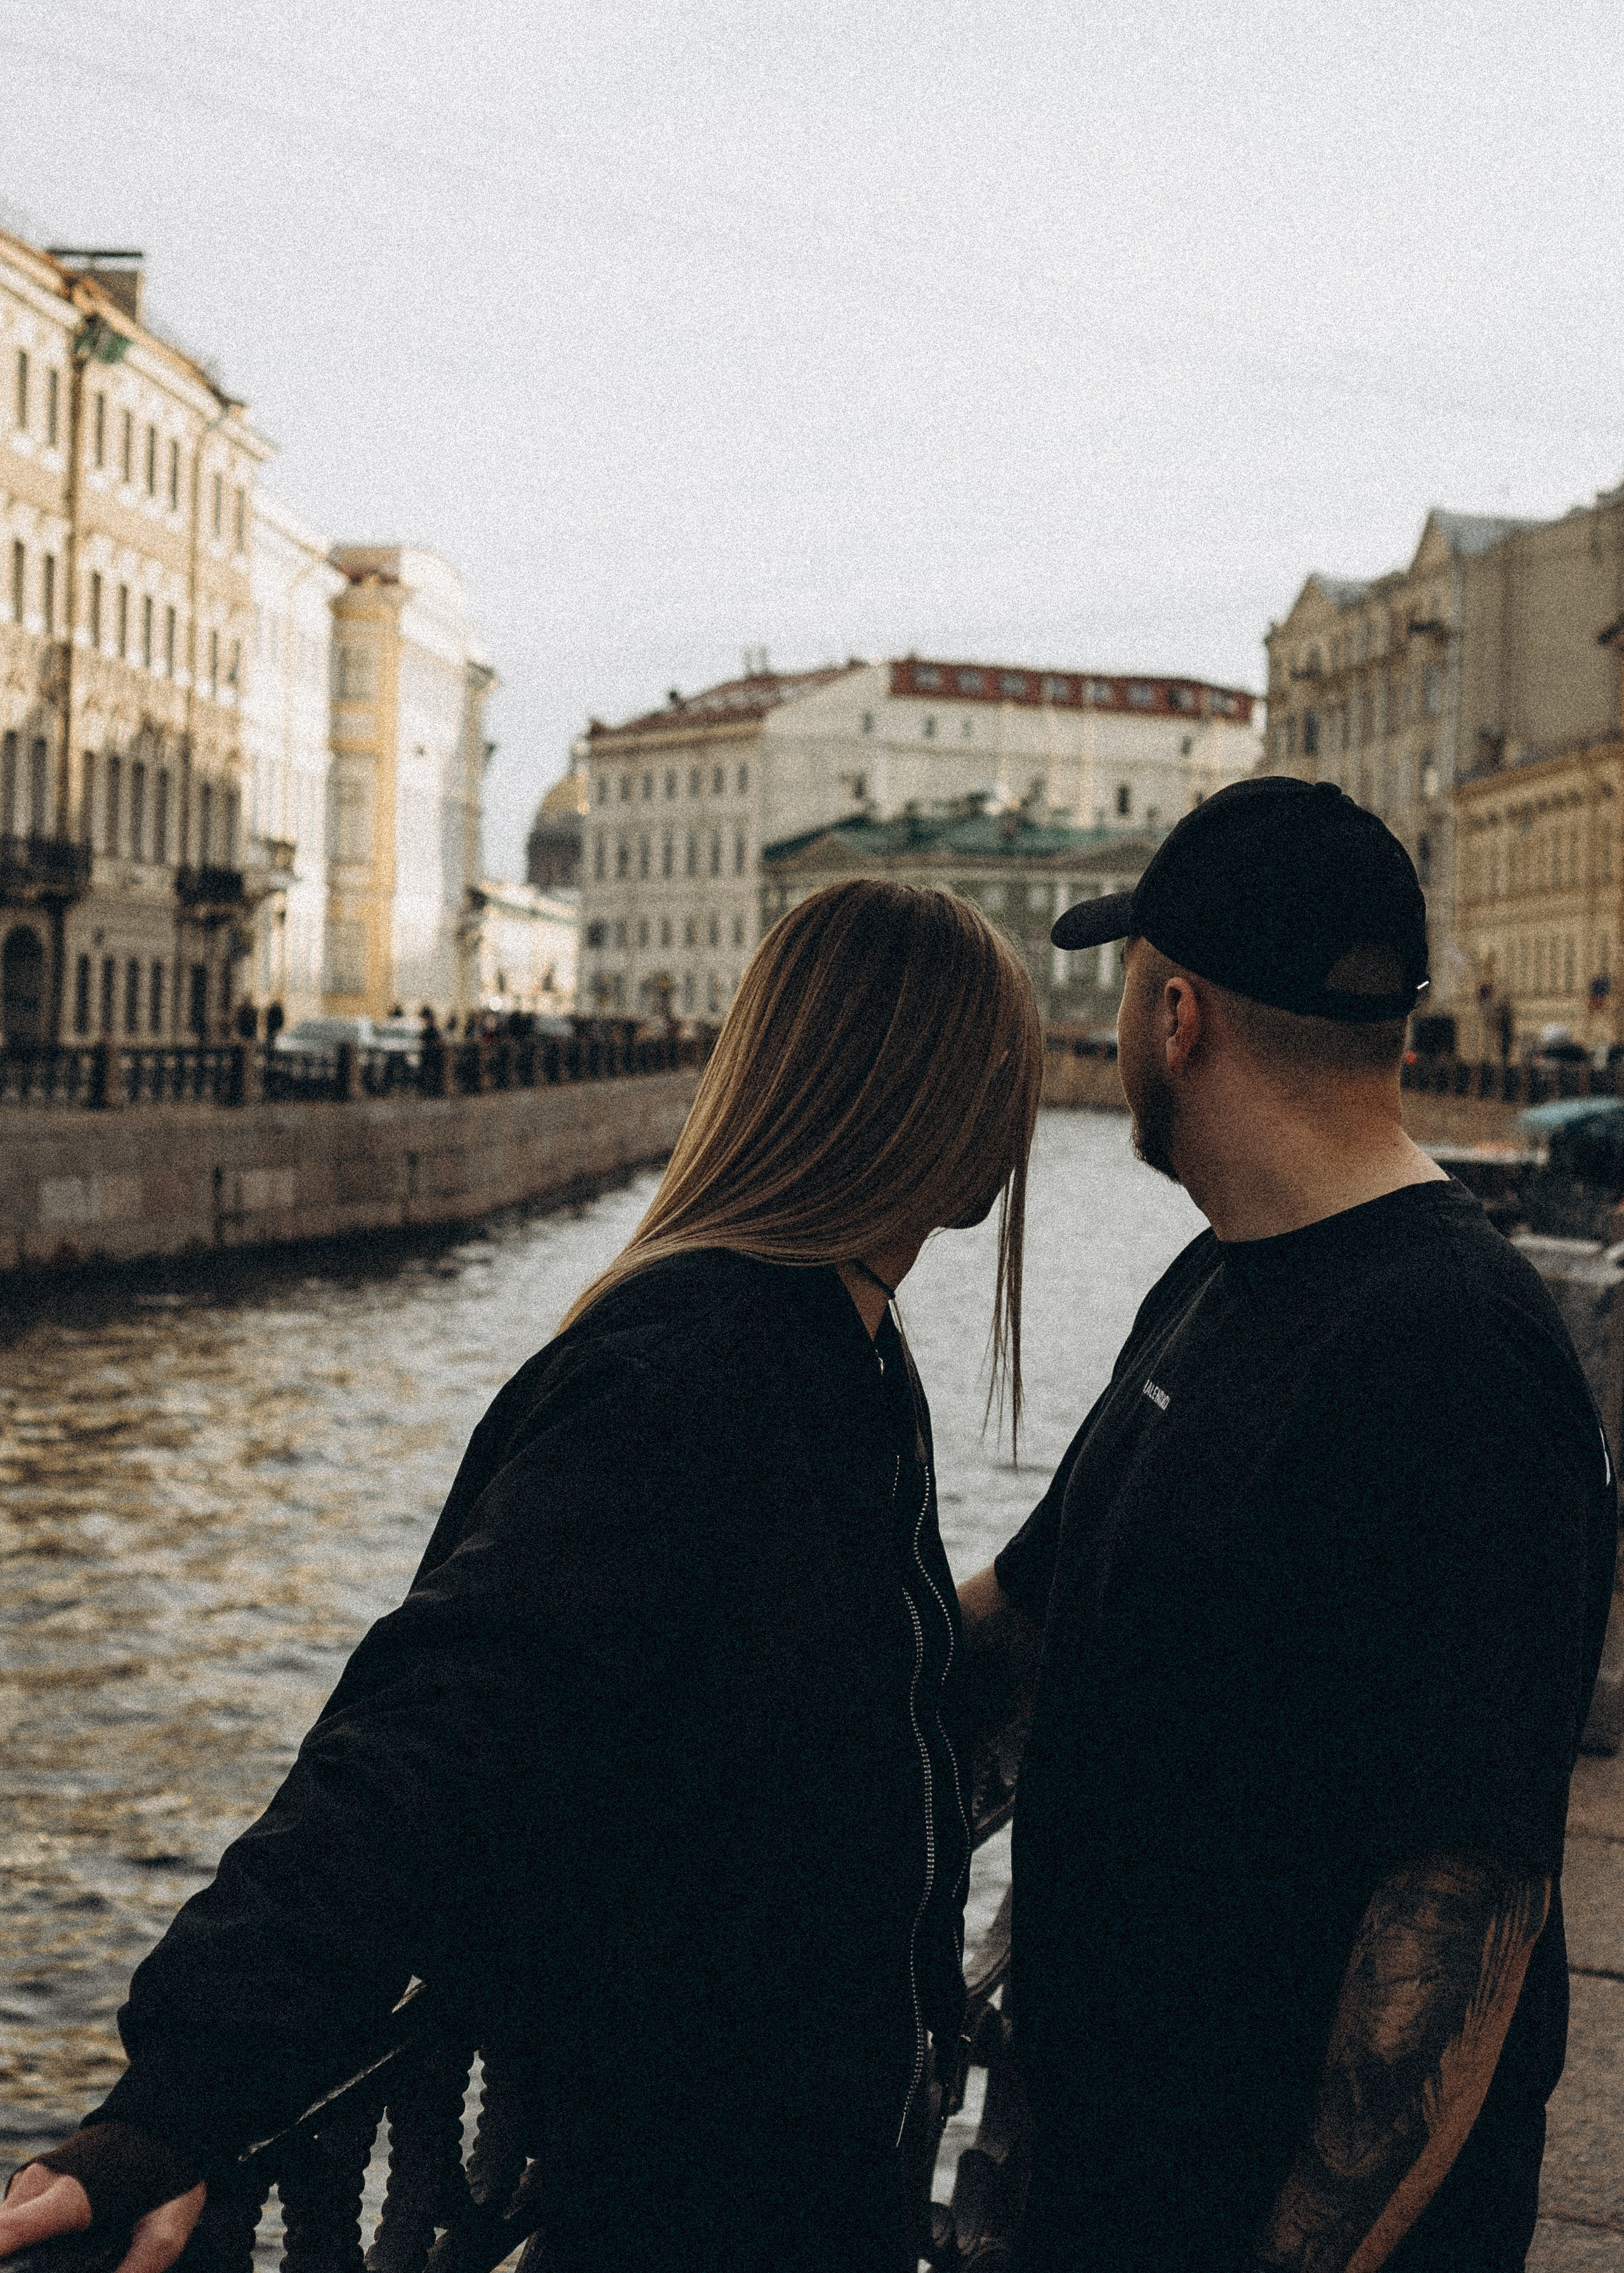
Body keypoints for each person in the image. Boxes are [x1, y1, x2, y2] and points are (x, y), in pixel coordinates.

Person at [0, 879, 1043, 2273]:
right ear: (903, 1087)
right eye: (999, 1072)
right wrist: (178, 2106)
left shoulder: (843, 1346)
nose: (1021, 1115)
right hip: (689, 2213)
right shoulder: (691, 1369)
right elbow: (427, 1739)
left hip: (807, 2193)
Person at [958, 777, 1617, 2273]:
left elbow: (1464, 1894)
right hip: (1107, 2183)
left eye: (1126, 988)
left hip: (1242, 2219)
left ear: (1174, 1016)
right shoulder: (1211, 1288)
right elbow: (1031, 1606)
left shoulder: (1455, 1351)